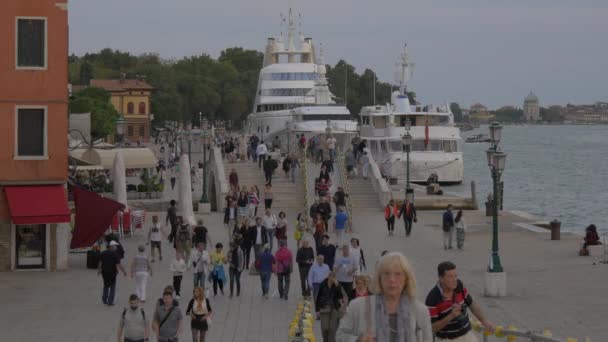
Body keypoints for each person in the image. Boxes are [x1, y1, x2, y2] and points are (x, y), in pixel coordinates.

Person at [337, 252, 433, 342]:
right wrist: (358, 339)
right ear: (379, 278)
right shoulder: (357, 306)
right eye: (386, 273)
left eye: (398, 274)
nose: (392, 279)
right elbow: (340, 336)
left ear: (407, 279)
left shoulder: (420, 311)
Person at [426, 261, 494, 342]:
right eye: (450, 277)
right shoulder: (432, 298)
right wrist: (451, 316)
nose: (455, 280)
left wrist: (484, 320)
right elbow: (432, 328)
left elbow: (472, 304)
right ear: (441, 278)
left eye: (455, 276)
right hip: (446, 339)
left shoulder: (459, 285)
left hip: (467, 335)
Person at [316, 271, 346, 342]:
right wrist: (317, 310)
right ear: (328, 277)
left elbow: (340, 296)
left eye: (334, 277)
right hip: (324, 308)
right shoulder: (322, 284)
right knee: (325, 328)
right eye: (331, 277)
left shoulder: (337, 285)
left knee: (332, 329)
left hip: (334, 308)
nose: (332, 279)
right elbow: (318, 297)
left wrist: (337, 285)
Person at [98, 240, 127, 306]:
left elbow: (100, 262)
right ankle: (110, 302)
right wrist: (124, 271)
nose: (116, 247)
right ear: (111, 246)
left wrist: (99, 270)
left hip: (104, 272)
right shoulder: (115, 254)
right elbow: (119, 264)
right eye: (115, 246)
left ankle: (104, 299)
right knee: (112, 287)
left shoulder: (103, 253)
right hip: (112, 272)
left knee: (106, 285)